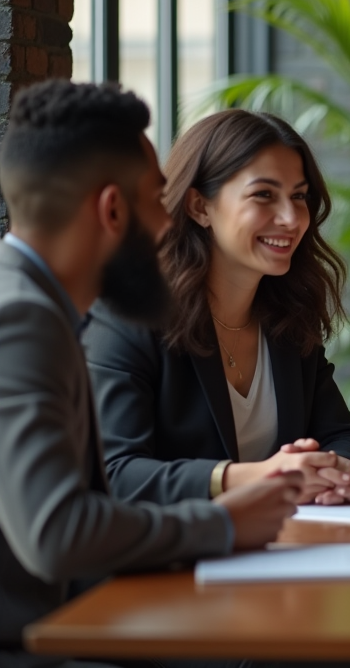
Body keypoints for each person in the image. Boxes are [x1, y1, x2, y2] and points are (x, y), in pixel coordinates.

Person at [0, 80, 302, 668]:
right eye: (154, 201)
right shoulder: (23, 321)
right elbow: (57, 533)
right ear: (113, 210)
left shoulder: (36, 307)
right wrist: (220, 523)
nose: (167, 227)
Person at [83, 110, 350, 508]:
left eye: (299, 196)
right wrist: (253, 477)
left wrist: (339, 471)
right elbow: (114, 473)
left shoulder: (286, 316)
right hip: (170, 561)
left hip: (283, 552)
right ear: (199, 207)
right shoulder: (128, 316)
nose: (290, 218)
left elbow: (345, 434)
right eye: (264, 195)